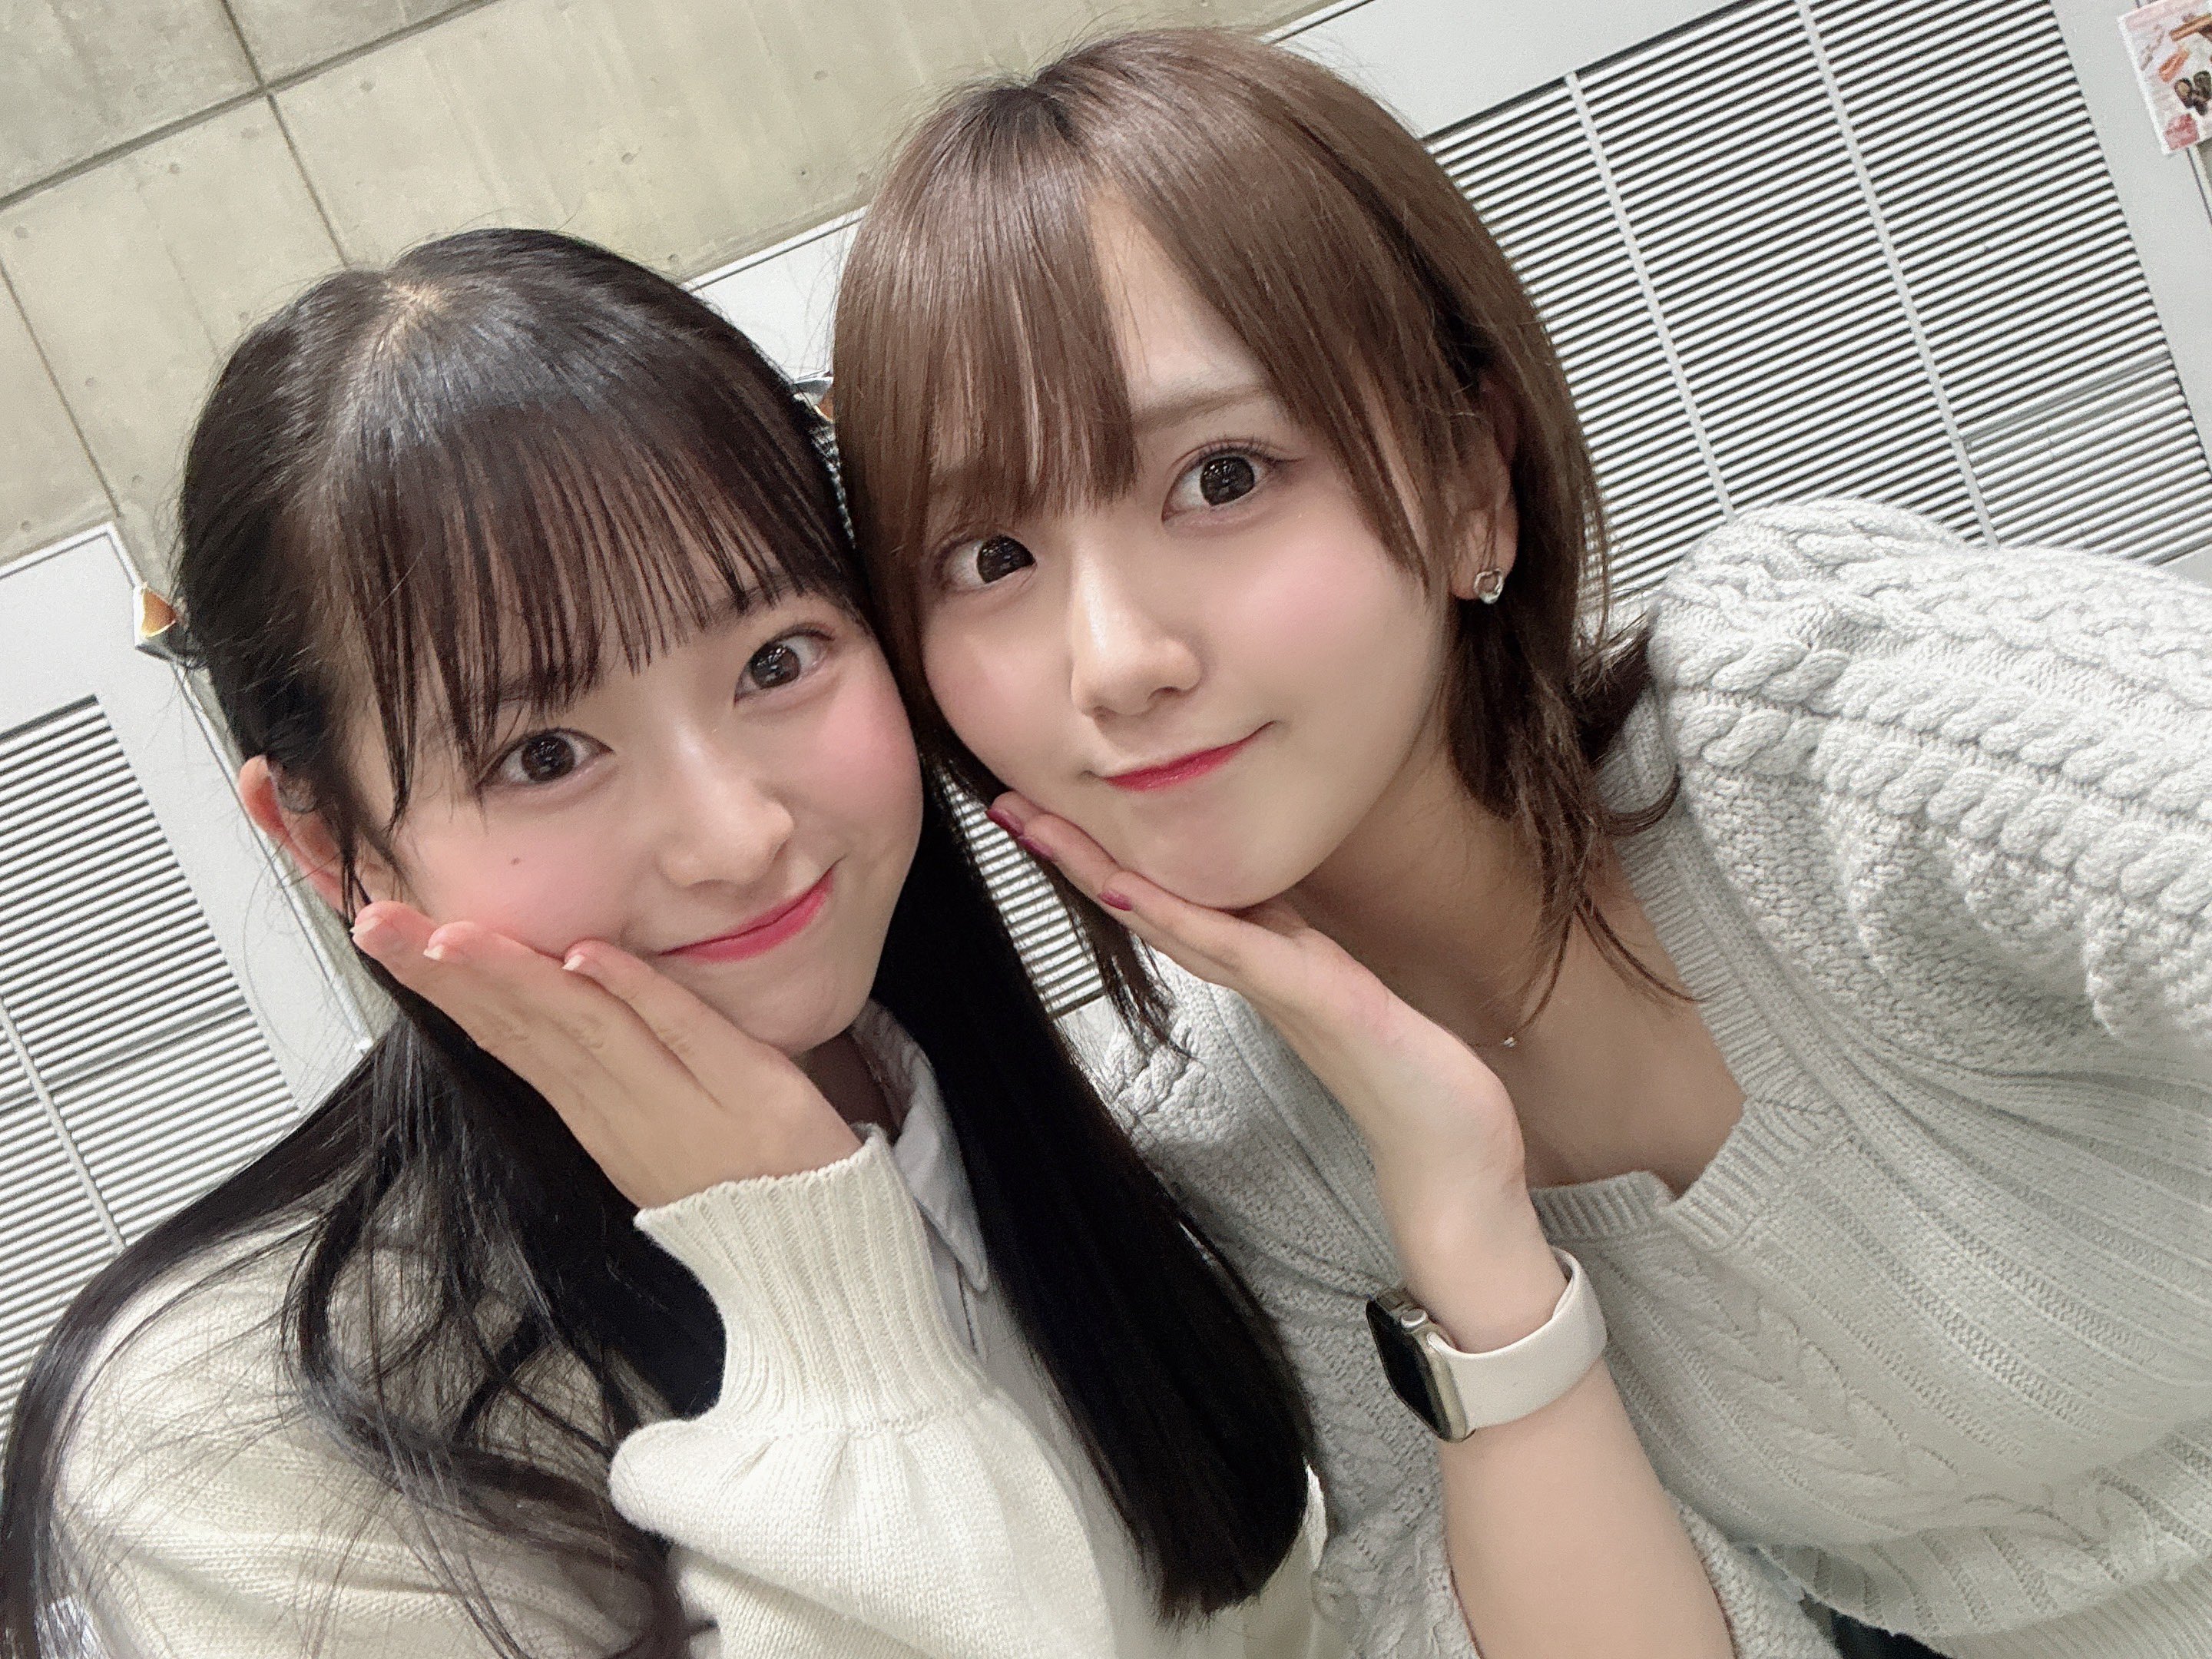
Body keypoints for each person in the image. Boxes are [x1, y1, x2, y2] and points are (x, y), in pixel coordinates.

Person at [830, 27, 2212, 1659]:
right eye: (990, 556)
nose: (1117, 659)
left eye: (1222, 476)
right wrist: (1467, 1230)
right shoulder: (1251, 1143)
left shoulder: (1823, 736)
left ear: (1471, 476)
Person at [0, 227, 1347, 1659]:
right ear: (333, 839)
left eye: (777, 660)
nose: (737, 835)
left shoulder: (1026, 1120)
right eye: (544, 753)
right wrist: (815, 1308)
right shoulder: (228, 1451)